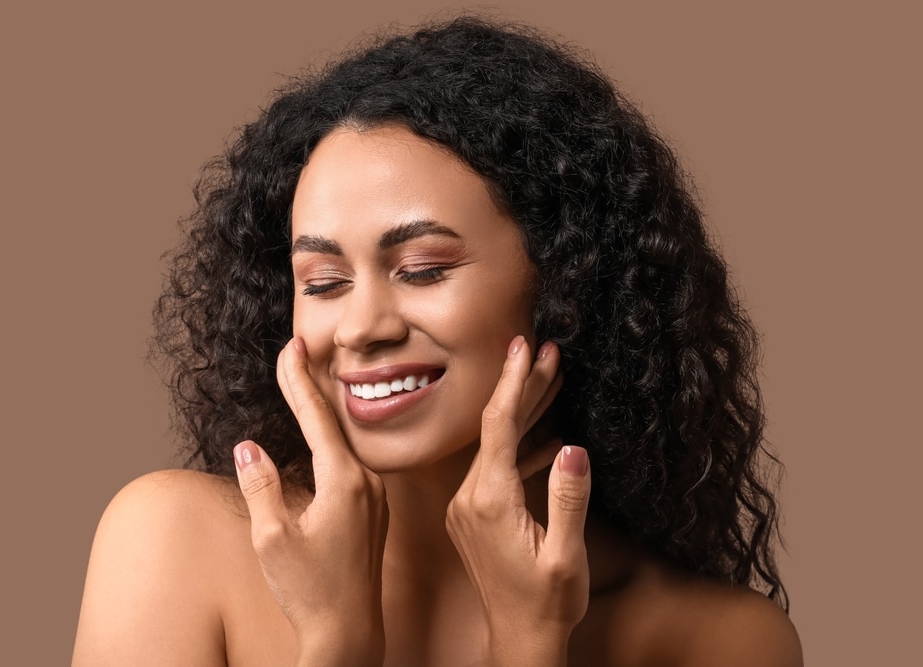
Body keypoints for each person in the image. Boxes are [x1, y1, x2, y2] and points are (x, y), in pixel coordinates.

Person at [72, 16, 802, 666]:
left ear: (567, 284)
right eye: (323, 283)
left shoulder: (720, 641)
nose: (361, 327)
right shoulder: (171, 547)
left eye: (421, 270)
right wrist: (336, 641)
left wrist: (530, 643)